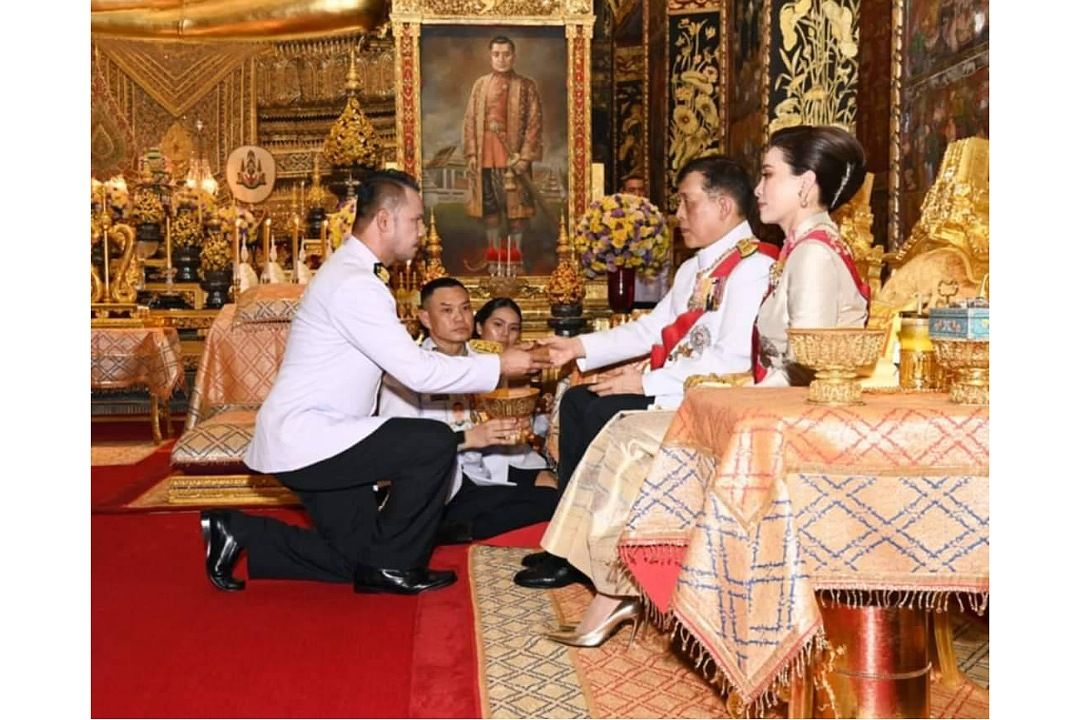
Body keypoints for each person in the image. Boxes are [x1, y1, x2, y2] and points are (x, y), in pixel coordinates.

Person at [536, 126, 871, 649]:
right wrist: (585, 351)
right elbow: (680, 337)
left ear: (805, 185)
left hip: (775, 414)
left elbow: (801, 364)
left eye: (768, 175)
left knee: (625, 437)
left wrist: (675, 388)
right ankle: (608, 580)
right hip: (753, 398)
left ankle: (618, 586)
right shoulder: (789, 252)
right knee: (616, 427)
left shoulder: (796, 255)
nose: (759, 191)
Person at [199, 170, 547, 596]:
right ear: (384, 221)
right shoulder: (354, 284)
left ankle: (236, 530)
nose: (422, 231)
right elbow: (416, 371)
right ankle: (400, 566)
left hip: (329, 439)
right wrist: (499, 366)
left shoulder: (356, 275)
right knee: (433, 441)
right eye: (416, 220)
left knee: (359, 561)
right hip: (310, 437)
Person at [513, 155, 775, 591]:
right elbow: (653, 329)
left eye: (688, 203)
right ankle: (567, 544)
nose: (678, 216)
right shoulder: (696, 267)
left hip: (711, 396)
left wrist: (645, 382)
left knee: (597, 412)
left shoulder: (753, 268)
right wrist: (577, 347)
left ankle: (586, 552)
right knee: (579, 401)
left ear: (724, 206)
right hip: (675, 384)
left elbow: (733, 360)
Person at [379, 282, 558, 544]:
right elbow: (400, 447)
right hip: (439, 483)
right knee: (546, 504)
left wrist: (513, 422)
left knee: (556, 498)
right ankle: (442, 528)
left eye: (465, 308)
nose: (459, 318)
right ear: (425, 318)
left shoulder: (490, 360)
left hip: (484, 471)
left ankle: (453, 529)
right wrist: (467, 438)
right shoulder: (408, 370)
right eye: (447, 310)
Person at [463, 36, 543, 265]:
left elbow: (535, 123)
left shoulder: (526, 86)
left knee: (516, 209)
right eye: (497, 54)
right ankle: (493, 254)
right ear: (490, 57)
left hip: (514, 157)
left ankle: (516, 255)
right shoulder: (480, 85)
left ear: (514, 56)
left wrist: (525, 157)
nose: (501, 59)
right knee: (490, 207)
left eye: (506, 54)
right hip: (485, 155)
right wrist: (471, 154)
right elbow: (469, 120)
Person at [619, 174, 670, 309]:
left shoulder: (656, 220)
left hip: (651, 292)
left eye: (640, 190)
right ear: (622, 192)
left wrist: (664, 298)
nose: (637, 194)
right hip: (622, 292)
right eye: (632, 190)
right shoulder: (614, 221)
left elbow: (664, 262)